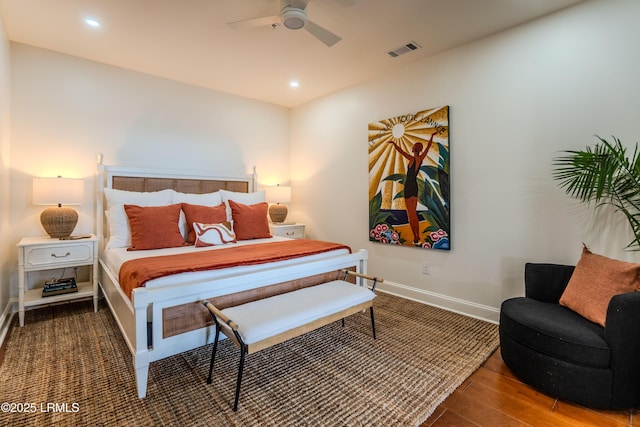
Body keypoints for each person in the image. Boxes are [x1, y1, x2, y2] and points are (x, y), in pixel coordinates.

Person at [387, 131, 437, 245]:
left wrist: (394, 144)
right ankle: (417, 236)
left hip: (409, 187)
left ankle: (415, 237)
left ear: (414, 149)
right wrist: (431, 136)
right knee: (413, 213)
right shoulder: (421, 159)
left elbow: (401, 151)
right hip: (414, 186)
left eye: (413, 147)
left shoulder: (411, 159)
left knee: (411, 214)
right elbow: (428, 148)